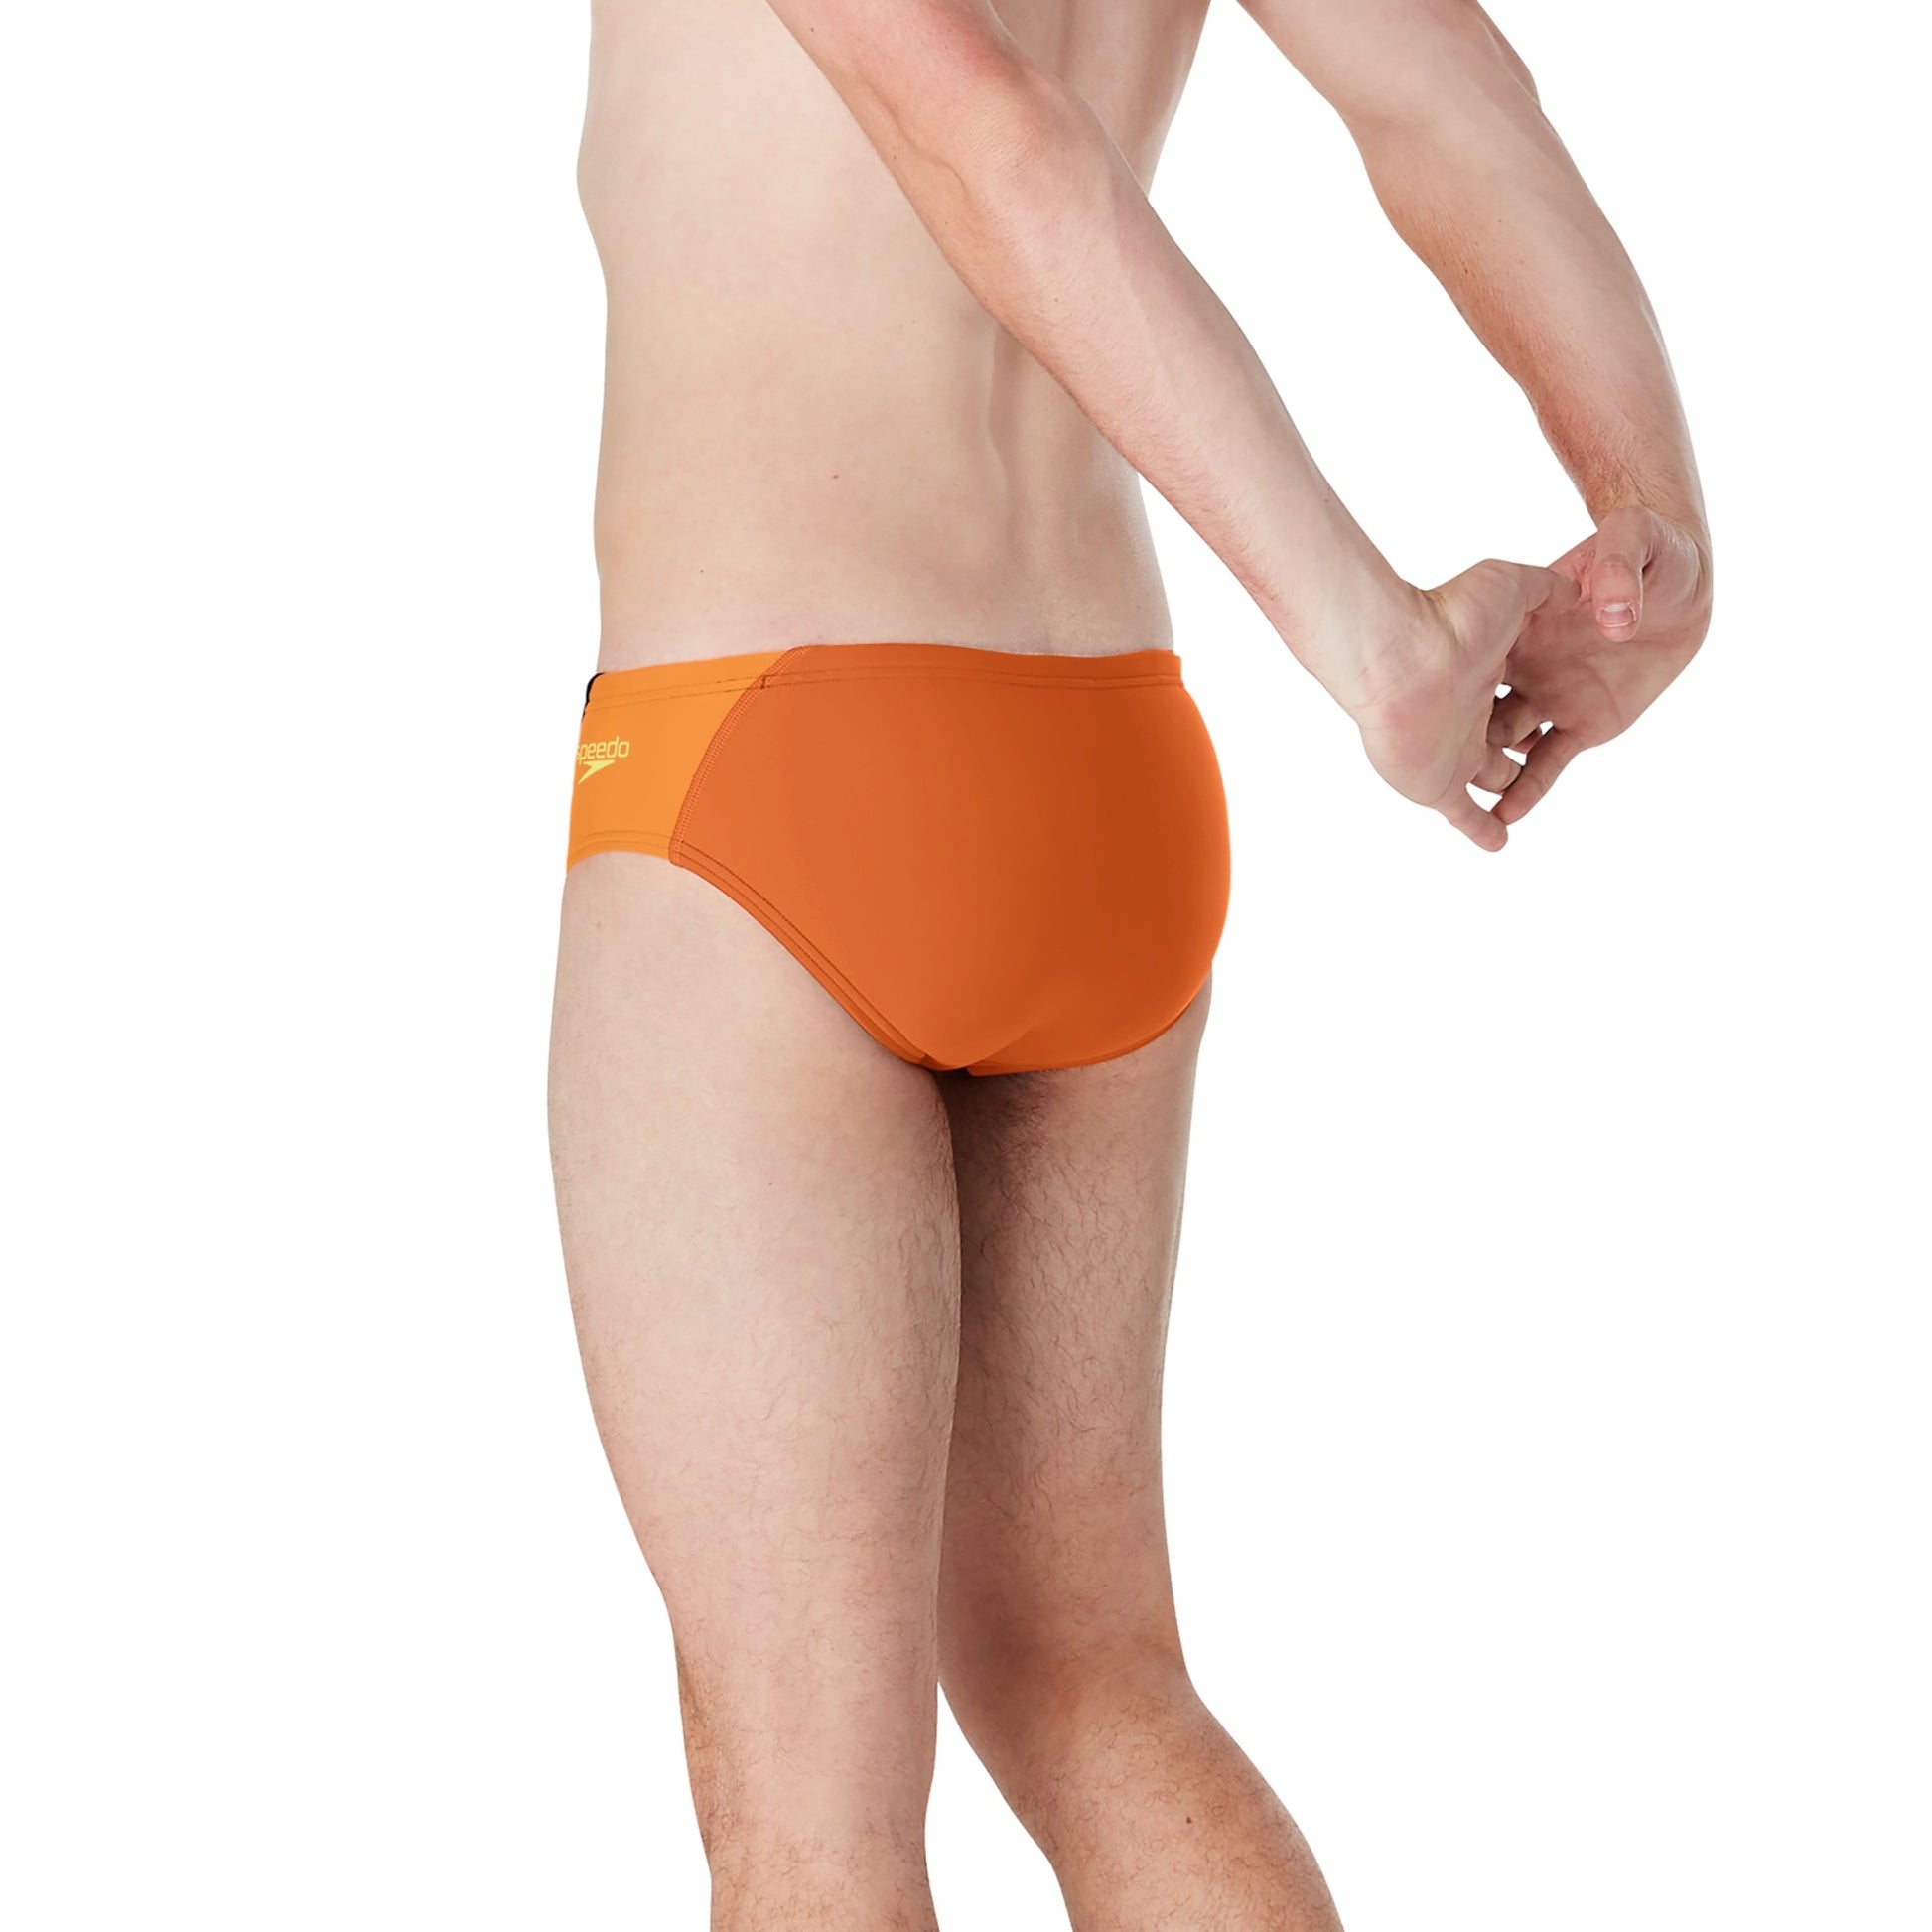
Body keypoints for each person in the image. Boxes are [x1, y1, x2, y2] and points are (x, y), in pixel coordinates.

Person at [546, 0, 1713, 1924]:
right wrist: (1651, 512)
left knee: (811, 1810)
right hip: (1104, 762)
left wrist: (1370, 640)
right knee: (1092, 1679)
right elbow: (1446, 96)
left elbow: (986, 130)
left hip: (766, 757)